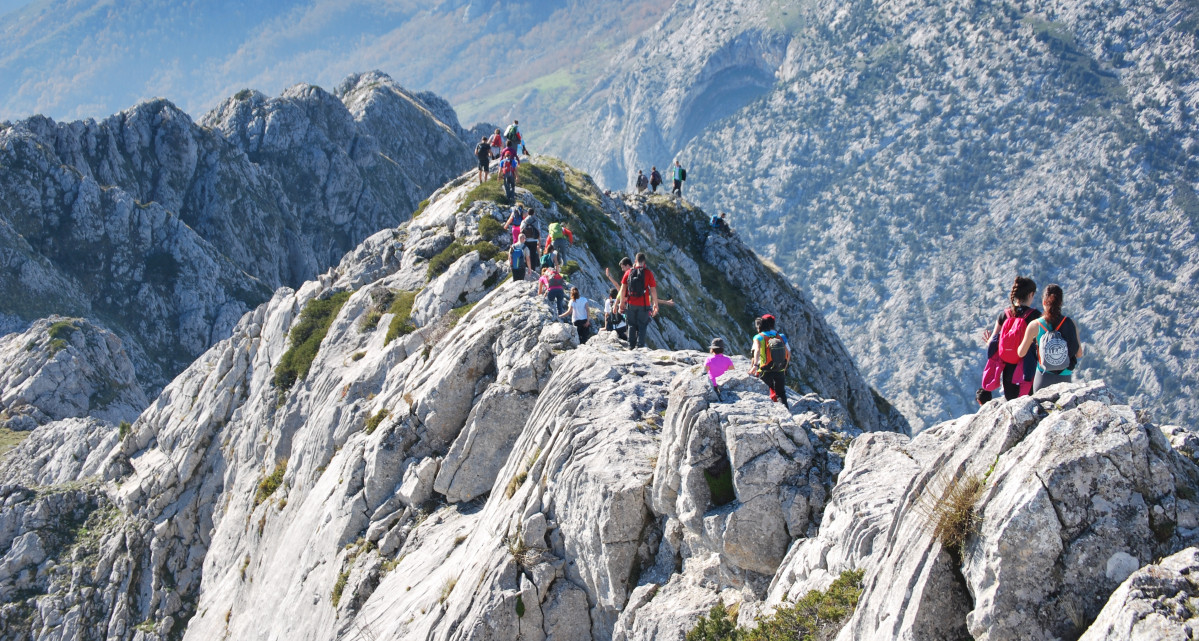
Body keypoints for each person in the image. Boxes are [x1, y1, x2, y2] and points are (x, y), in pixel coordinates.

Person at [981, 276, 1040, 401]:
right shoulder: (1035, 315)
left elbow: (993, 341)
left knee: (1012, 404)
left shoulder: (1004, 315)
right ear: (1030, 294)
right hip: (1027, 370)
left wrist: (988, 342)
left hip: (1008, 370)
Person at [1016, 284, 1083, 392]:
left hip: (1043, 377)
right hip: (1065, 378)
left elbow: (1021, 353)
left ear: (1043, 302)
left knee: (1042, 408)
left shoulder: (1035, 325)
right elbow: (1079, 354)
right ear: (1060, 303)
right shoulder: (1070, 323)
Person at [618, 252, 658, 348]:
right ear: (644, 262)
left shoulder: (628, 272)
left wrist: (621, 303)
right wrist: (655, 304)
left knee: (631, 325)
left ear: (635, 261)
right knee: (642, 326)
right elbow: (653, 290)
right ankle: (640, 347)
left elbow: (623, 289)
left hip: (631, 304)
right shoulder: (648, 273)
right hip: (644, 305)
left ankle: (630, 346)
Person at [749, 314, 791, 405]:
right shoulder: (778, 335)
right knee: (781, 393)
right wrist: (785, 367)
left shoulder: (758, 337)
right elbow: (787, 352)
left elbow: (756, 351)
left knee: (762, 393)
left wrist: (754, 366)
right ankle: (785, 412)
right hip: (779, 368)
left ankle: (767, 413)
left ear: (758, 327)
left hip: (765, 369)